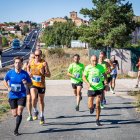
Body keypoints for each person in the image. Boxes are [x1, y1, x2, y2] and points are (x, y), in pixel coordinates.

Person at [3, 57, 32, 136]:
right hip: (12, 95)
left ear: (22, 64)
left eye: (19, 62)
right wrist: (8, 87)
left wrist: (26, 83)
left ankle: (16, 130)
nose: (17, 64)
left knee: (19, 112)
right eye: (16, 62)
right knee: (14, 114)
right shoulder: (10, 73)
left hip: (22, 95)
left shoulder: (24, 73)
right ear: (14, 64)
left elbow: (30, 84)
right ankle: (14, 114)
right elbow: (4, 81)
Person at [27, 49, 51, 125]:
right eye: (35, 55)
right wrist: (29, 73)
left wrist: (43, 73)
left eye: (38, 55)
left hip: (41, 85)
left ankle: (42, 115)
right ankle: (35, 110)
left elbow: (49, 75)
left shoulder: (44, 63)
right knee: (33, 98)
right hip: (33, 84)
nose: (36, 57)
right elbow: (27, 67)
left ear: (41, 55)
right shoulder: (31, 61)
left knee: (41, 100)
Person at [83, 55, 107, 126]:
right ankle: (92, 107)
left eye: (96, 60)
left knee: (98, 105)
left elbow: (104, 74)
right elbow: (83, 77)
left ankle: (97, 120)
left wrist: (105, 82)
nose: (95, 62)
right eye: (93, 61)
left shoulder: (101, 67)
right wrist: (87, 83)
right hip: (91, 88)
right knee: (90, 106)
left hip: (99, 88)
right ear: (90, 61)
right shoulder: (87, 68)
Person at [22, 52, 35, 121]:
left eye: (34, 57)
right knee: (29, 99)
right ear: (29, 58)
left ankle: (35, 109)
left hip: (35, 84)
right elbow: (22, 71)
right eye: (32, 57)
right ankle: (30, 115)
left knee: (34, 99)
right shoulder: (26, 63)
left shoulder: (36, 63)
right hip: (28, 84)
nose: (33, 58)